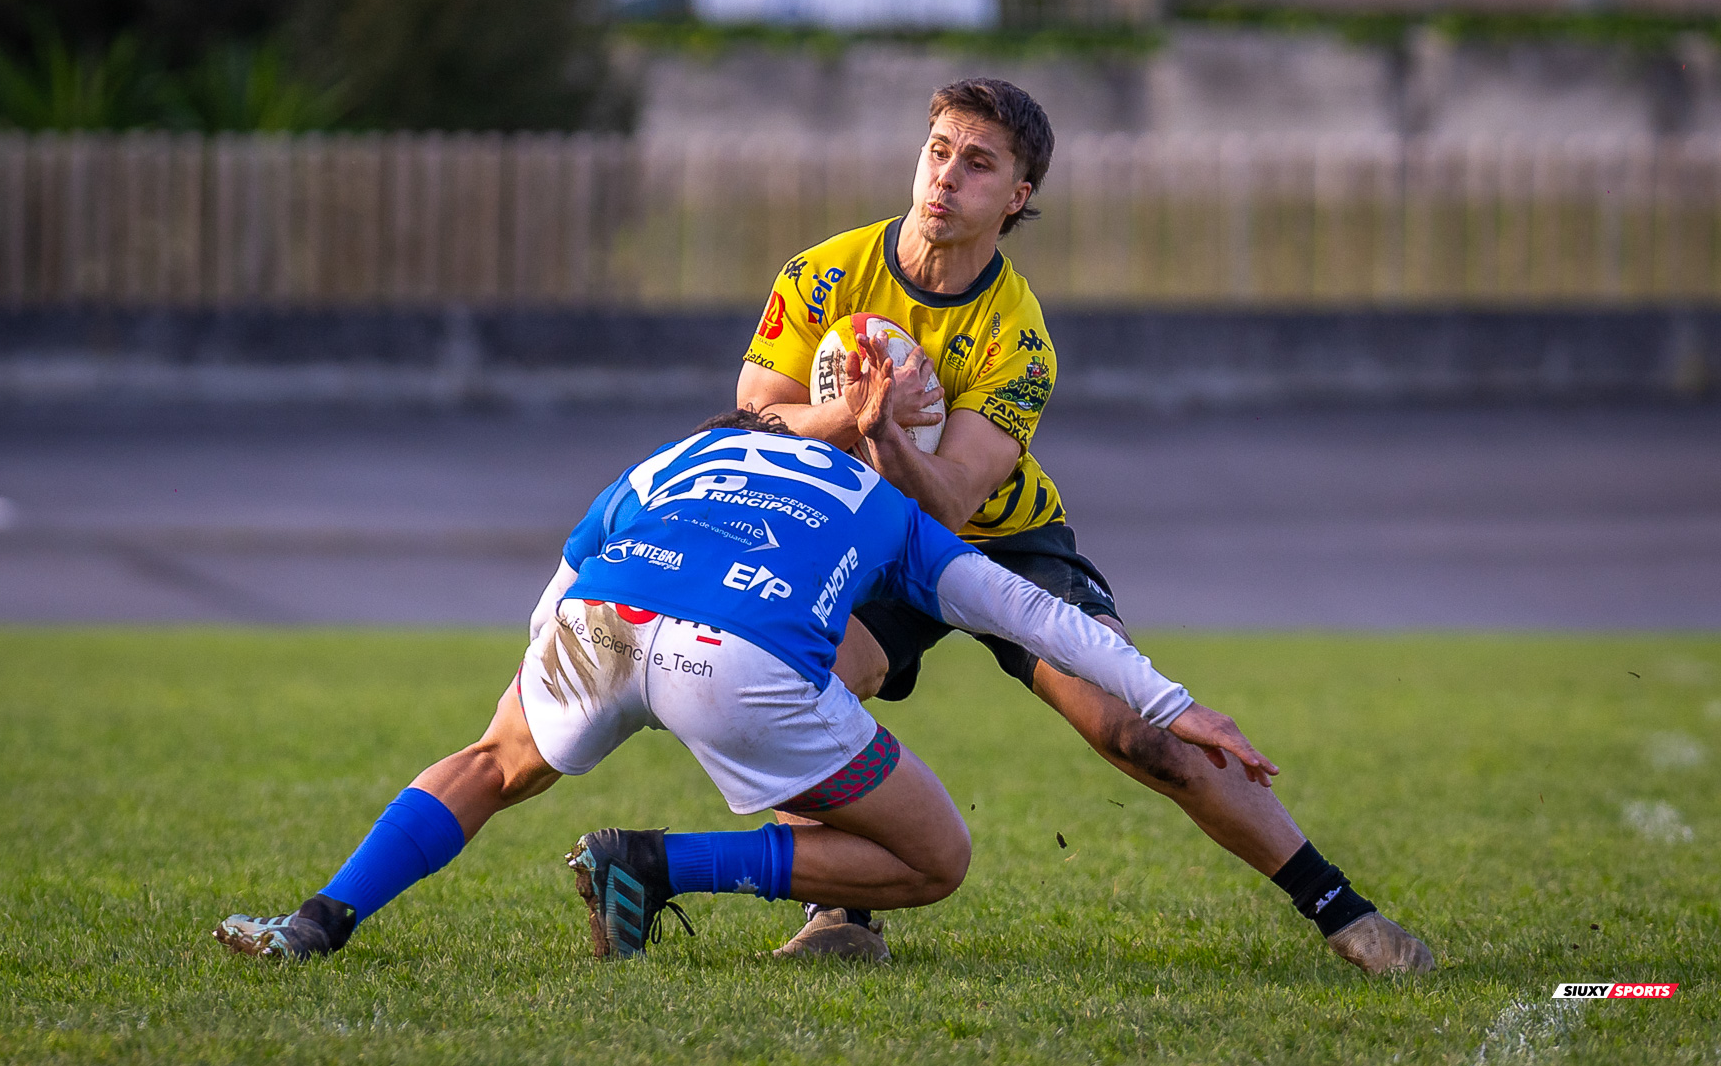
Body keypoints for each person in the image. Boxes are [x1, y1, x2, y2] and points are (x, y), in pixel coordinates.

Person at [213, 339, 1277, 963]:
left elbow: (570, 572)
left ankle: (314, 922)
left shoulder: (681, 455)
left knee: (493, 761)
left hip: (597, 628)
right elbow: (1033, 614)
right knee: (934, 860)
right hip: (735, 663)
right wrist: (1175, 701)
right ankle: (662, 863)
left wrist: (545, 678)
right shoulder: (884, 500)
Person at [736, 77, 1435, 974]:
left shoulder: (1017, 338)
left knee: (1137, 732)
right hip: (863, 534)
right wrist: (851, 421)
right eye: (938, 149)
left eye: (978, 163)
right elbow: (755, 411)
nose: (946, 176)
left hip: (1002, 541)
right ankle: (841, 911)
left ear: (1017, 196)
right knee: (795, 678)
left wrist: (881, 431)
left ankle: (1345, 912)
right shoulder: (823, 274)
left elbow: (950, 501)